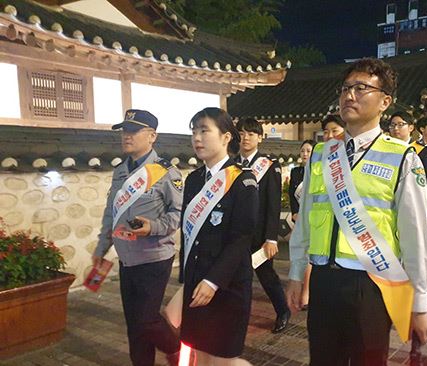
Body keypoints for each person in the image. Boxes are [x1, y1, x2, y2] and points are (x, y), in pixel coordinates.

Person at [286, 58, 427, 365]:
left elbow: (415, 236)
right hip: (324, 282)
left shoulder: (402, 157)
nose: (349, 95)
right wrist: (297, 273)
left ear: (385, 102)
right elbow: (306, 222)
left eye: (361, 88)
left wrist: (419, 303)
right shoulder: (322, 155)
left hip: (372, 285)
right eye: (346, 88)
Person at [93, 109, 181, 366]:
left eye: (133, 131)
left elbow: (179, 214)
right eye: (124, 131)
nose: (126, 136)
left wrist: (152, 227)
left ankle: (175, 346)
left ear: (152, 136)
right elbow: (111, 213)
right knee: (135, 326)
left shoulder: (165, 172)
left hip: (154, 257)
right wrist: (101, 248)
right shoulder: (120, 171)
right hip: (127, 259)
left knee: (145, 319)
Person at [179, 107, 257, 365]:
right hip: (196, 284)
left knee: (222, 358)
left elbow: (242, 238)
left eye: (204, 130)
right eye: (194, 132)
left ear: (225, 137)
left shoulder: (242, 180)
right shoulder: (193, 181)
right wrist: (188, 280)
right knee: (199, 355)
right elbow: (188, 233)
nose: (197, 138)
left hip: (227, 286)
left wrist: (213, 281)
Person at [235, 117, 291, 333]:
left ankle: (283, 310)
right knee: (236, 277)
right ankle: (238, 316)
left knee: (267, 277)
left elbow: (273, 204)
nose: (246, 138)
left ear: (260, 137)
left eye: (251, 133)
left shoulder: (269, 166)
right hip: (237, 234)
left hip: (260, 236)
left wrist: (271, 238)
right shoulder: (232, 165)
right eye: (242, 133)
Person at [288, 139, 317, 310]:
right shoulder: (296, 172)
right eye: (303, 151)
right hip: (298, 217)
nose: (305, 154)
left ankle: (307, 291)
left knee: (310, 257)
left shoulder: (317, 169)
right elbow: (292, 194)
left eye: (308, 151)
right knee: (301, 253)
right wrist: (294, 212)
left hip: (314, 219)